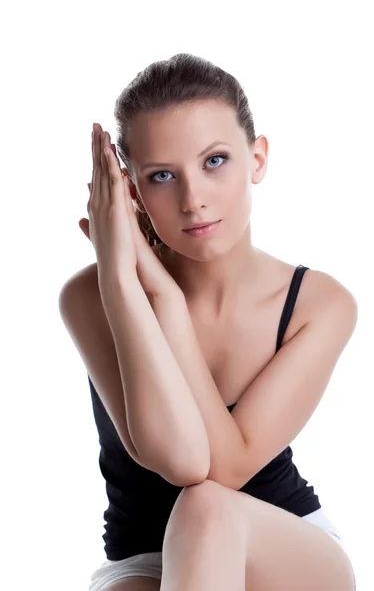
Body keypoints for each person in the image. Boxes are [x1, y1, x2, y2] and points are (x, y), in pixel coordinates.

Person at [59, 53, 358, 591]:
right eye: (163, 176)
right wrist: (126, 284)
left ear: (257, 159)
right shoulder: (91, 294)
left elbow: (221, 472)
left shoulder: (320, 303)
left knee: (208, 508)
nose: (193, 200)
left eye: (214, 161)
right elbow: (178, 456)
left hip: (282, 547)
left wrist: (166, 302)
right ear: (130, 192)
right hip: (144, 559)